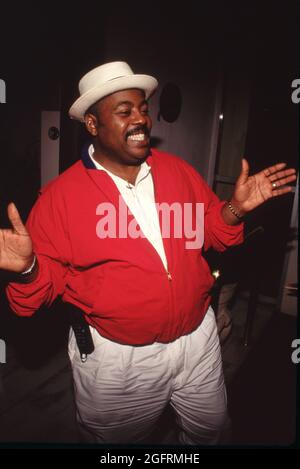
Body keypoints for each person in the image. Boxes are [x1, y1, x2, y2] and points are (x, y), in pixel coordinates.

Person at [0, 61, 296, 445]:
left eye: (143, 108)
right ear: (92, 124)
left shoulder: (178, 172)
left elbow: (212, 233)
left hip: (198, 340)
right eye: (125, 111)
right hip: (120, 363)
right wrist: (27, 269)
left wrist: (234, 209)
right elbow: (34, 299)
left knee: (211, 433)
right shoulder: (59, 198)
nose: (141, 119)